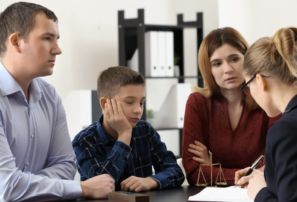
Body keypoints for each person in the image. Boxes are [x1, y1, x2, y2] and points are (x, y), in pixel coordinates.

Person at [0, 2, 114, 202]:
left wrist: (19, 184)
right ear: (15, 42)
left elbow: (66, 166)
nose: (58, 50)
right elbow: (7, 187)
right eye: (47, 38)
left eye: (56, 39)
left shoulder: (50, 97)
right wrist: (82, 188)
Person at [182, 27, 280, 185]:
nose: (227, 69)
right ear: (209, 69)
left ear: (247, 59)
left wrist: (212, 168)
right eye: (217, 63)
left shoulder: (268, 99)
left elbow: (275, 166)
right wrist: (250, 175)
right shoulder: (197, 102)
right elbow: (194, 173)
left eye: (234, 59)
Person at [72, 66, 185, 192]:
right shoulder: (83, 141)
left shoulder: (145, 130)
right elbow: (102, 186)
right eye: (130, 102)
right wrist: (124, 135)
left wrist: (150, 181)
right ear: (105, 104)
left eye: (141, 103)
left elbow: (176, 172)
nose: (138, 110)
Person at [235, 27, 297, 201]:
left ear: (260, 81)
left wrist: (260, 193)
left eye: (248, 87)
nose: (250, 94)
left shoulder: (284, 129)